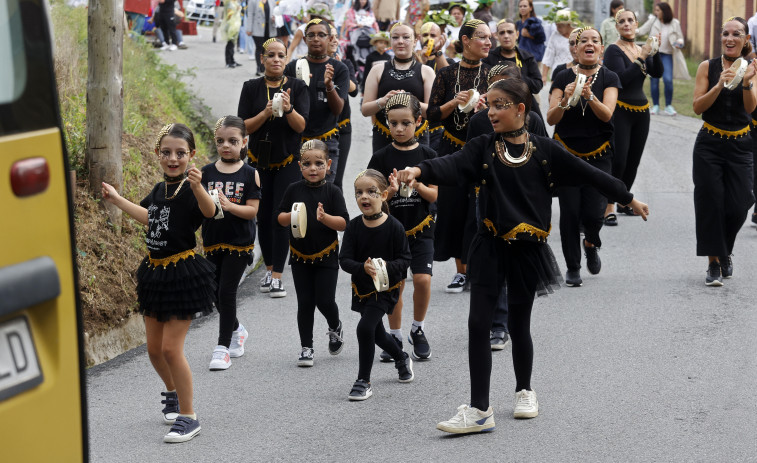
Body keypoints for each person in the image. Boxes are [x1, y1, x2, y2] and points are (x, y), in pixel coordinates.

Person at [395, 77, 648, 433]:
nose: (492, 112)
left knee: (518, 323)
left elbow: (588, 173)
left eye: (500, 105)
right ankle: (480, 409)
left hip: (527, 250)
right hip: (488, 246)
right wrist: (418, 169)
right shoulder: (482, 146)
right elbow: (450, 164)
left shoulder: (545, 149)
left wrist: (627, 197)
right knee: (478, 324)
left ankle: (524, 390)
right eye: (489, 105)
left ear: (520, 110)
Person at [101, 123, 220, 443]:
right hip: (154, 272)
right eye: (166, 152)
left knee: (170, 348)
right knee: (154, 350)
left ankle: (189, 416)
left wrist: (198, 187)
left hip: (182, 273)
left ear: (191, 155)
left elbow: (210, 213)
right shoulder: (157, 190)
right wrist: (117, 199)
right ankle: (172, 394)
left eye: (180, 153)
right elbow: (149, 217)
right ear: (157, 155)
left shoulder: (193, 188)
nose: (173, 158)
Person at [546, 27, 621, 287]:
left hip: (599, 155)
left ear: (601, 48)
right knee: (569, 213)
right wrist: (566, 99)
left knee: (594, 214)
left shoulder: (609, 77)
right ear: (575, 49)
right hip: (567, 156)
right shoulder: (562, 76)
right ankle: (573, 267)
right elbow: (551, 117)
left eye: (595, 41)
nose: (589, 44)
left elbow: (607, 114)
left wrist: (590, 97)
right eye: (583, 41)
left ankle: (590, 242)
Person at [367, 94, 438, 361]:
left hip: (422, 229)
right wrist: (388, 192)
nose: (398, 128)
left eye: (405, 123)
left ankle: (417, 329)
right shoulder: (380, 158)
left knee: (422, 279)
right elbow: (370, 200)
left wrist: (417, 184)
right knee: (394, 286)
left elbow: (435, 196)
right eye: (393, 123)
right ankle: (394, 335)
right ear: (386, 122)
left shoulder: (428, 156)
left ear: (418, 121)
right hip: (391, 233)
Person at [238, 38, 310, 297]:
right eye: (271, 55)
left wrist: (289, 109)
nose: (276, 59)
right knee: (263, 217)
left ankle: (278, 274)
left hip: (287, 163)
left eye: (281, 55)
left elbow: (302, 126)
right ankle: (268, 269)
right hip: (258, 162)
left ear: (286, 59)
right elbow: (243, 127)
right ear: (262, 59)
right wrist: (266, 113)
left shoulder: (298, 87)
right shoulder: (251, 87)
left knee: (280, 217)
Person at [426, 19, 491, 293]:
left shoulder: (493, 73)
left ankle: (481, 269)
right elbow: (430, 116)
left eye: (490, 37)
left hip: (486, 150)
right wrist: (455, 102)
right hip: (452, 148)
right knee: (453, 211)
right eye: (482, 37)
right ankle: (461, 271)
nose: (488, 42)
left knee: (481, 212)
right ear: (466, 40)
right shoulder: (447, 75)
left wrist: (490, 107)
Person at [339, 169, 414, 401]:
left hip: (386, 289)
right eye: (359, 192)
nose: (364, 197)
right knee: (378, 333)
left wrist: (382, 267)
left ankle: (363, 381)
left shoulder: (394, 227)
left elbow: (405, 260)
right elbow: (344, 260)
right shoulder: (353, 227)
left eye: (371, 192)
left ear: (383, 196)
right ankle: (401, 358)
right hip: (361, 288)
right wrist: (363, 267)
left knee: (364, 329)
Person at [692, 17, 756, 286]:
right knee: (711, 203)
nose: (730, 39)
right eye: (725, 34)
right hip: (710, 144)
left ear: (746, 40)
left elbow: (751, 108)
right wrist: (718, 85)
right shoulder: (707, 66)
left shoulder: (753, 67)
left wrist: (746, 83)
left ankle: (724, 249)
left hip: (741, 144)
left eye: (736, 34)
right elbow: (697, 107)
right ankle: (714, 263)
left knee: (741, 203)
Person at [277, 140, 350, 366]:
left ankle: (334, 324)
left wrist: (324, 218)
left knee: (325, 300)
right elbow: (279, 218)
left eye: (319, 163)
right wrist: (292, 215)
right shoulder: (293, 190)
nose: (313, 168)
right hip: (300, 256)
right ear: (300, 166)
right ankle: (306, 347)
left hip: (326, 255)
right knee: (305, 302)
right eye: (307, 164)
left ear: (328, 165)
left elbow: (344, 223)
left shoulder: (333, 192)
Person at [202, 116, 261, 370]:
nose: (226, 145)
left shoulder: (250, 174)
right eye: (220, 141)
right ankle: (237, 328)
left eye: (233, 141)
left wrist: (229, 206)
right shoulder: (206, 172)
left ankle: (222, 347)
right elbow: (201, 208)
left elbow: (251, 211)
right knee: (213, 291)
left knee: (227, 291)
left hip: (239, 243)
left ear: (244, 142)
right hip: (213, 241)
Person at [602, 9, 662, 225]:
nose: (626, 24)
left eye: (630, 20)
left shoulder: (640, 48)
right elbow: (621, 80)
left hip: (642, 112)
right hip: (621, 110)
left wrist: (655, 51)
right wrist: (643, 56)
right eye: (622, 21)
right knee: (619, 159)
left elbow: (657, 73)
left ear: (637, 24)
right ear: (616, 27)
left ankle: (623, 201)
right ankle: (609, 204)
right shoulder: (613, 51)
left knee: (633, 160)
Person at [284, 18, 350, 183]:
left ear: (329, 39)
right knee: (297, 193)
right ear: (304, 39)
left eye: (321, 35)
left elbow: (338, 110)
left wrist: (329, 85)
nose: (316, 39)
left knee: (323, 194)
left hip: (327, 141)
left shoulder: (339, 69)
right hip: (296, 141)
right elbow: (284, 105)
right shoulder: (293, 67)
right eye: (311, 35)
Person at [362, 23, 435, 152]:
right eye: (395, 37)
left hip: (417, 139)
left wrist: (410, 101)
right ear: (391, 41)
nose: (400, 41)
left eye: (406, 37)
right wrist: (383, 101)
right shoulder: (378, 70)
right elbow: (365, 110)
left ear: (415, 40)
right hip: (384, 138)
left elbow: (433, 112)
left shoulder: (426, 71)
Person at [484, 19, 544, 117]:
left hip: (524, 107)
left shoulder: (526, 57)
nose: (506, 36)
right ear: (496, 35)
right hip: (496, 108)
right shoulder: (489, 58)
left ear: (517, 34)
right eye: (502, 32)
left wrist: (516, 76)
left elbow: (537, 85)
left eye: (510, 32)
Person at [637, 2, 686, 115]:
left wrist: (679, 43)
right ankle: (656, 106)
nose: (656, 12)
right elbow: (642, 30)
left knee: (668, 80)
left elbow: (680, 38)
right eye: (656, 10)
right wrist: (630, 30)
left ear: (665, 11)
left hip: (667, 54)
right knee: (654, 80)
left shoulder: (675, 23)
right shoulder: (653, 20)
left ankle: (668, 106)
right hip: (653, 54)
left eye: (658, 10)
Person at [329, 25, 360, 190]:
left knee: (336, 180)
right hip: (317, 128)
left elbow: (354, 90)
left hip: (342, 128)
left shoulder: (345, 63)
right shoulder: (308, 64)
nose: (334, 40)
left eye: (336, 36)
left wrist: (340, 69)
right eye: (330, 36)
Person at [416, 21, 450, 151]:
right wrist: (422, 59)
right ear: (419, 38)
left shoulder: (444, 60)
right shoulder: (412, 59)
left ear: (440, 38)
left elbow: (450, 80)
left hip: (438, 126)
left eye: (433, 35)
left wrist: (437, 52)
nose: (429, 38)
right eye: (425, 34)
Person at [540, 11, 574, 85]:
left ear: (568, 24)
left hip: (574, 72)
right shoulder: (555, 35)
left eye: (560, 26)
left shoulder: (578, 33)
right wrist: (544, 75)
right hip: (557, 73)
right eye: (556, 25)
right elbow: (548, 55)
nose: (557, 28)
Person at [247, 0, 277, 75]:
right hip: (257, 28)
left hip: (269, 29)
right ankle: (259, 68)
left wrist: (275, 19)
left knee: (269, 49)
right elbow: (250, 14)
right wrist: (249, 28)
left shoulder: (272, 1)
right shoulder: (253, 1)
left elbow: (275, 13)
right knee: (260, 48)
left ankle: (267, 68)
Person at [221, 0, 244, 68]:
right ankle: (228, 62)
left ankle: (232, 60)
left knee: (233, 43)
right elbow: (229, 15)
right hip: (231, 25)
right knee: (230, 43)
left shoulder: (235, 2)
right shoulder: (229, 2)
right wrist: (235, 11)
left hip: (236, 25)